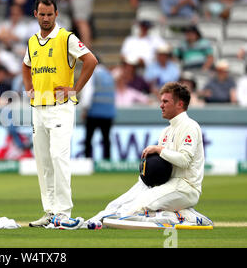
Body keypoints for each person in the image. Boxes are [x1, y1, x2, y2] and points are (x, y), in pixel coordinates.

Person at [87, 82, 213, 227]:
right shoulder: (166, 131)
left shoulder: (190, 126)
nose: (161, 105)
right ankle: (90, 222)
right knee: (116, 205)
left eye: (165, 101)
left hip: (186, 187)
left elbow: (184, 160)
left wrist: (159, 150)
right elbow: (162, 165)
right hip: (165, 183)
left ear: (180, 104)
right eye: (161, 101)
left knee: (132, 210)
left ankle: (186, 216)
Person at [22, 0, 98, 227]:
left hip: (61, 107)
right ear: (35, 14)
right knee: (44, 162)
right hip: (39, 108)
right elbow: (26, 66)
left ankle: (64, 213)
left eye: (49, 14)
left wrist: (74, 89)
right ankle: (50, 211)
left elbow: (91, 60)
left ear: (56, 15)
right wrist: (29, 89)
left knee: (59, 157)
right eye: (42, 14)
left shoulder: (66, 38)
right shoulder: (33, 41)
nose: (46, 18)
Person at [80, 64, 116, 161]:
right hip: (108, 113)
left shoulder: (92, 74)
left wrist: (84, 109)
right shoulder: (109, 75)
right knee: (106, 139)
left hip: (94, 113)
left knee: (88, 139)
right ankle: (107, 162)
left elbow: (88, 93)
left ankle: (87, 161)